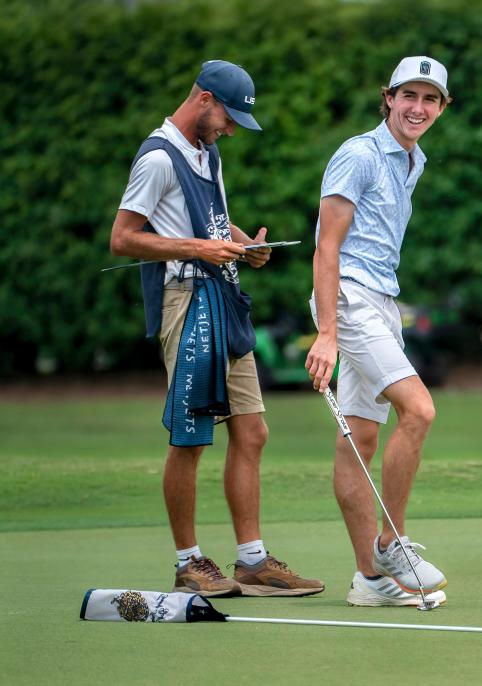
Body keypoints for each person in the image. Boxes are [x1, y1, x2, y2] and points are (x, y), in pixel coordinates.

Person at [110, 60, 323, 597]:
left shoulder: (208, 152)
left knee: (252, 430)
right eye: (228, 117)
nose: (231, 129)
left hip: (224, 298)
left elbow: (209, 222)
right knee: (192, 437)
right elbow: (124, 238)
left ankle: (252, 562)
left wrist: (243, 242)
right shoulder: (157, 157)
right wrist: (197, 249)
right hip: (184, 302)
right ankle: (189, 563)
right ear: (204, 99)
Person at [305, 56, 451, 607]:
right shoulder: (358, 154)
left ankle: (369, 580)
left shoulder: (414, 160)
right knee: (420, 410)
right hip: (350, 300)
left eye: (430, 99)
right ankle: (392, 544)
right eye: (408, 95)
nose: (418, 108)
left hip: (382, 301)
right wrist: (326, 332)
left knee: (360, 439)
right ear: (387, 97)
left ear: (442, 107)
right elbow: (327, 245)